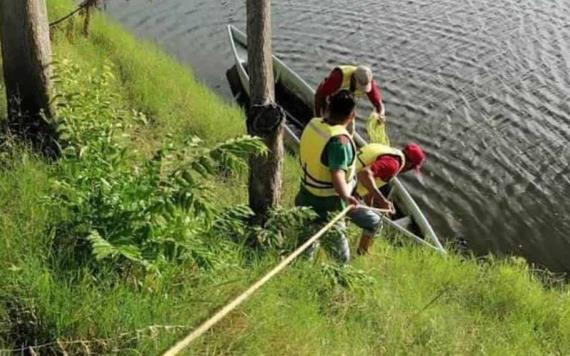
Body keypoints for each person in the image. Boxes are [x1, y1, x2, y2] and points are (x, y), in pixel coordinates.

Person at [295, 90, 382, 263]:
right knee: (341, 259)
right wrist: (346, 196)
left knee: (305, 248)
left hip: (305, 197)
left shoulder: (314, 124)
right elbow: (337, 174)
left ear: (328, 107)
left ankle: (299, 272)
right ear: (352, 115)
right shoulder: (339, 143)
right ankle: (336, 286)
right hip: (329, 206)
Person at [353, 142, 426, 253]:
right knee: (375, 223)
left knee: (366, 214)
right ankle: (362, 252)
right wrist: (382, 201)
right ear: (409, 165)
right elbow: (364, 174)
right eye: (412, 168)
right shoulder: (393, 164)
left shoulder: (388, 151)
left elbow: (368, 184)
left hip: (339, 178)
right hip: (339, 190)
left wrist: (370, 206)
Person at [314, 65, 385, 121]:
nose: (363, 89)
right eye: (360, 86)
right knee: (327, 120)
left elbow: (379, 104)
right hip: (330, 98)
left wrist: (381, 114)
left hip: (347, 104)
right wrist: (318, 117)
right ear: (354, 79)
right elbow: (320, 95)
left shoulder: (367, 80)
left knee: (349, 129)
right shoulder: (338, 76)